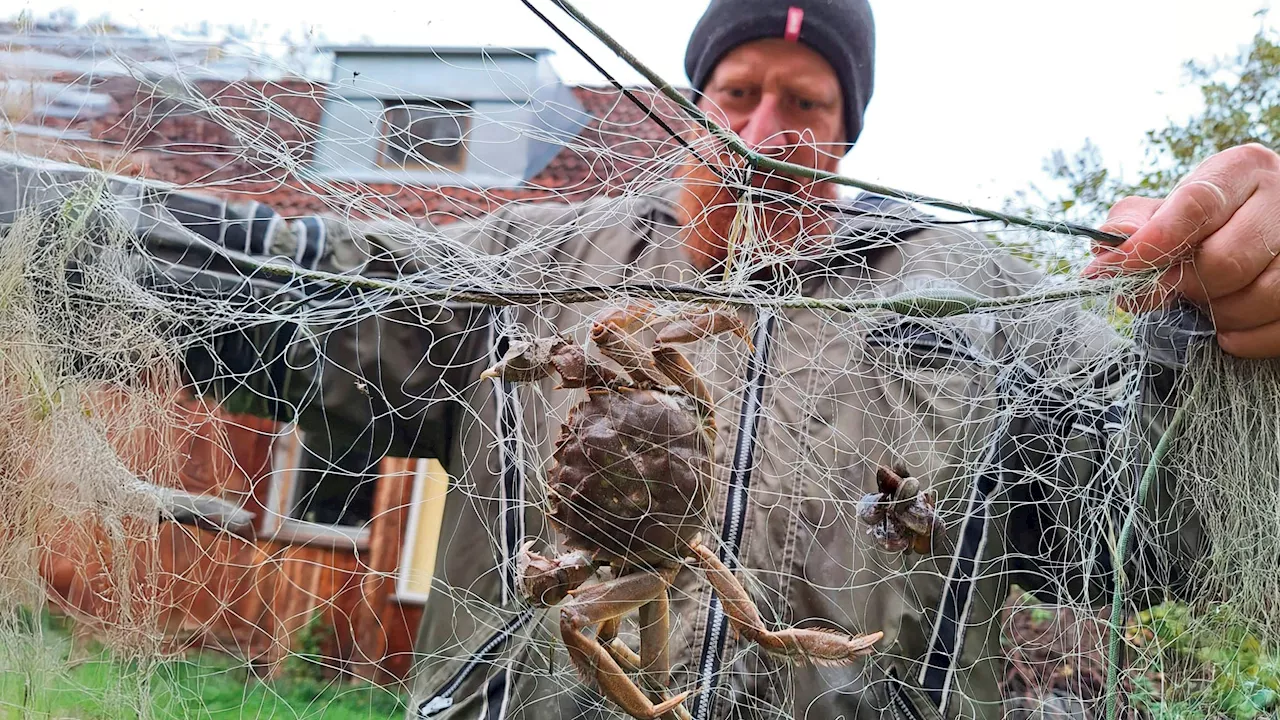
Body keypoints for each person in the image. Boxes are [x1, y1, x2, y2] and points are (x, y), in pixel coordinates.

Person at [6, 1, 1280, 718]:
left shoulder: (986, 305)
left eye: (807, 104)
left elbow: (1164, 534)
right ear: (688, 105)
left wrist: (1229, 351)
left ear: (849, 133)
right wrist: (43, 226)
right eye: (735, 94)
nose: (765, 132)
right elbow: (305, 296)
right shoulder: (543, 270)